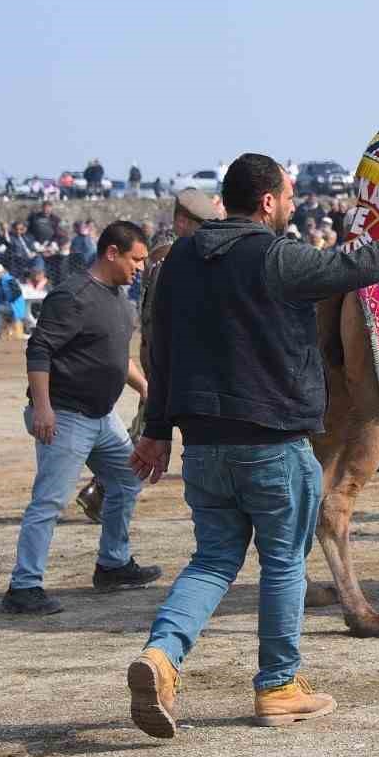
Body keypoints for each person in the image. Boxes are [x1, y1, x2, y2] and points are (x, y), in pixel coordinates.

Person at [125, 154, 379, 738]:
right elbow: (364, 265)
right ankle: (278, 685)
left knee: (213, 561)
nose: (292, 206)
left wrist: (157, 431)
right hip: (271, 441)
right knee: (284, 563)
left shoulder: (181, 259)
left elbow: (160, 348)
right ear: (267, 201)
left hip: (205, 446)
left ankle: (162, 655)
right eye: (288, 197)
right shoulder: (277, 257)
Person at [1, 221, 154, 616]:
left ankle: (113, 564)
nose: (140, 267)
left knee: (127, 477)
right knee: (49, 501)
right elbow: (39, 351)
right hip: (65, 415)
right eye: (136, 259)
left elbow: (118, 357)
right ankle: (24, 586)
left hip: (102, 417)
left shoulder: (121, 299)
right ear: (111, 253)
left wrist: (143, 387)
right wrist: (44, 407)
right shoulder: (72, 296)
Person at [76, 188, 223, 525]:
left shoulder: (164, 256)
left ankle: (102, 491)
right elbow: (163, 318)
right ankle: (104, 491)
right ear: (184, 221)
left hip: (161, 358)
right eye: (202, 224)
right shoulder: (170, 259)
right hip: (167, 360)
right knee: (149, 435)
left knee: (145, 429)